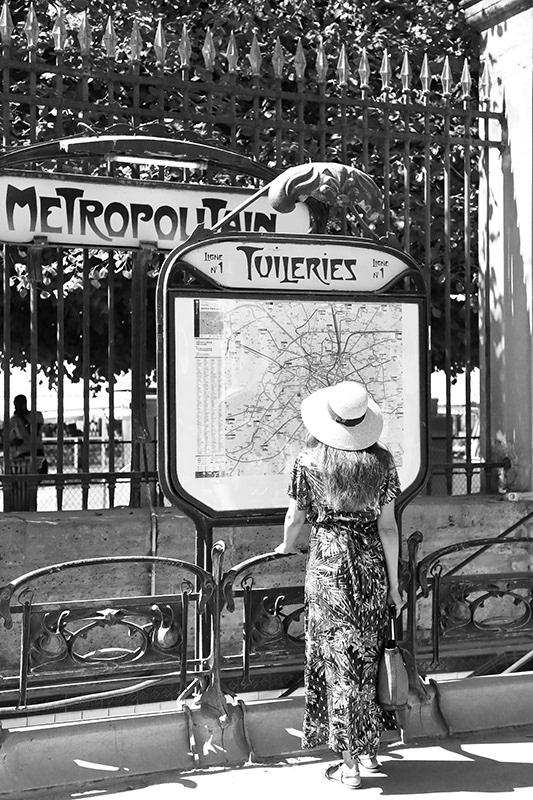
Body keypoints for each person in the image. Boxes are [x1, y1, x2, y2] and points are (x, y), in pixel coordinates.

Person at [274, 380, 403, 790]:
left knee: (337, 663)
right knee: (366, 656)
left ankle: (349, 763)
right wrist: (395, 586)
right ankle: (369, 751)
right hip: (369, 569)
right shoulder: (381, 462)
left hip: (328, 568)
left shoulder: (308, 460)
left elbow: (295, 520)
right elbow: (388, 527)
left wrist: (286, 545)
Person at [9, 394, 48, 510]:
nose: (16, 408)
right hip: (23, 454)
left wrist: (21, 418)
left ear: (24, 404)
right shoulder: (13, 420)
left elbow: (32, 433)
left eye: (19, 405)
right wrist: (14, 441)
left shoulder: (36, 415)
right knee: (23, 485)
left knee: (36, 479)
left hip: (37, 453)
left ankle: (30, 505)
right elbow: (10, 438)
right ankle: (25, 507)